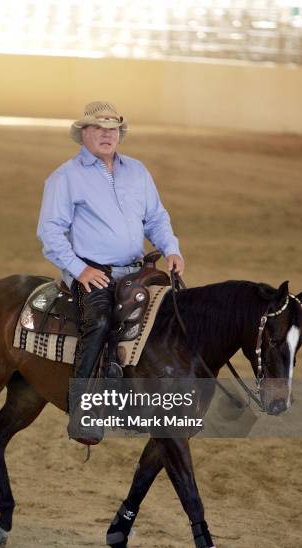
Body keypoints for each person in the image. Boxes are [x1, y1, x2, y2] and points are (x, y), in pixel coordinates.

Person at [37, 101, 184, 442]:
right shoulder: (66, 177)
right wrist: (79, 269)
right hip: (95, 272)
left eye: (112, 129)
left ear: (120, 134)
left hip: (138, 271)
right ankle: (83, 406)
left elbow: (157, 219)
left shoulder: (138, 171)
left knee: (175, 313)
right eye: (98, 129)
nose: (106, 135)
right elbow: (50, 231)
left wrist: (171, 248)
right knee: (101, 322)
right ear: (83, 134)